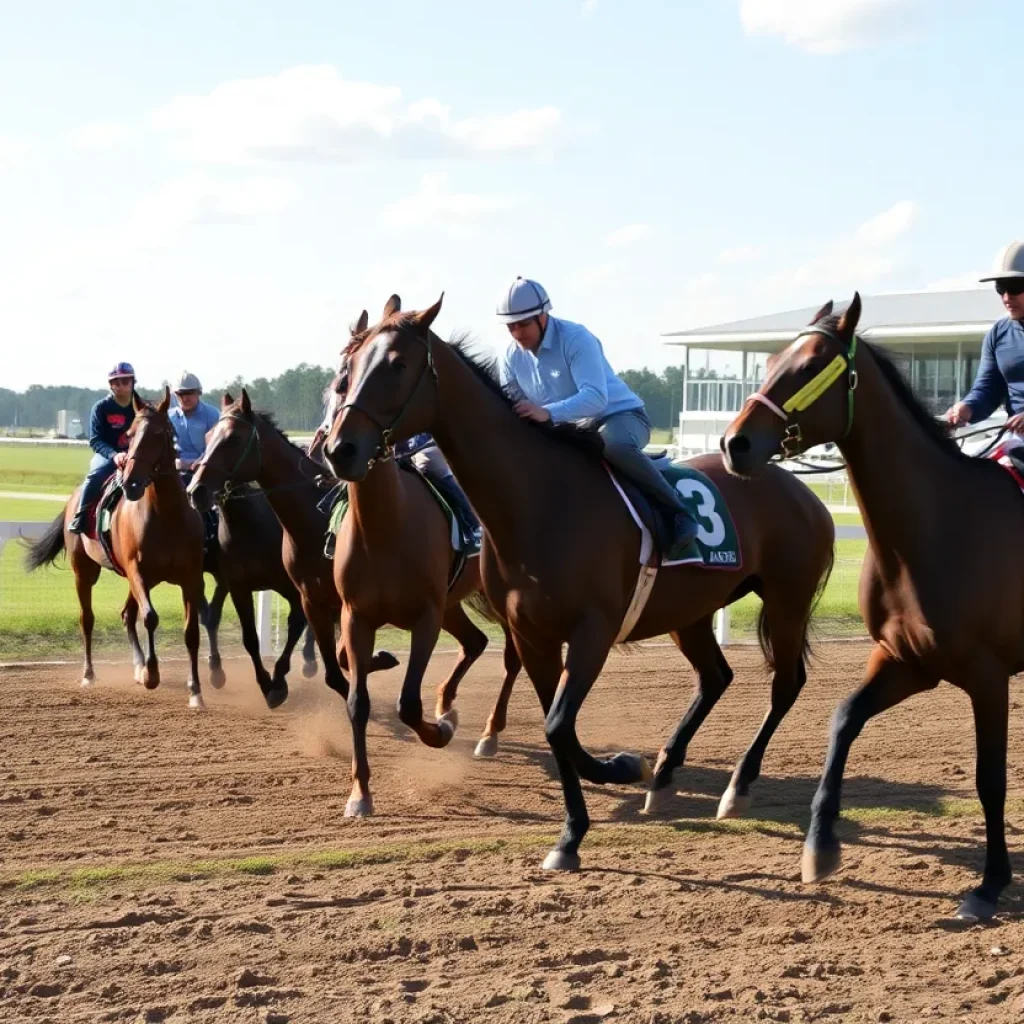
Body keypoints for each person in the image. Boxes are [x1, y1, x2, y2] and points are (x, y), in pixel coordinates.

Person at [496, 276, 699, 555]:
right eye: (511, 327)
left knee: (612, 445)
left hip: (621, 418)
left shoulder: (577, 338)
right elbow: (518, 409)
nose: (517, 333)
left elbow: (595, 398)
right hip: (567, 430)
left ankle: (679, 513)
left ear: (543, 317)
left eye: (523, 324)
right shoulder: (509, 357)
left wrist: (546, 413)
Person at [945, 241, 1024, 437]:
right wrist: (967, 408)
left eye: (1014, 287)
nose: (1006, 297)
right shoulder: (998, 332)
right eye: (1000, 288)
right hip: (1017, 441)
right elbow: (989, 388)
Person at [68, 362, 138, 534]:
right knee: (95, 477)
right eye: (115, 382)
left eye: (124, 381)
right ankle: (81, 516)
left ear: (132, 383)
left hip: (137, 456)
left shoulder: (142, 407)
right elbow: (96, 440)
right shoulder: (101, 408)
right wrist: (114, 455)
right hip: (108, 455)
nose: (120, 386)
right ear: (110, 385)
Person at [168, 371, 221, 480]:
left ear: (198, 393)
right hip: (176, 471)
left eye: (189, 393)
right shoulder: (169, 417)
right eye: (181, 394)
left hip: (207, 469)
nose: (185, 398)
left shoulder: (213, 414)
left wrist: (201, 461)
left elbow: (217, 446)